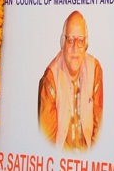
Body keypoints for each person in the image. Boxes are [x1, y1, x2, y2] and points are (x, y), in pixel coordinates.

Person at [38, 10, 104, 150]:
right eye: (70, 40)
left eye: (80, 40)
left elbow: (100, 126)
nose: (75, 48)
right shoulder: (50, 78)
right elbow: (47, 140)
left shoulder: (95, 69)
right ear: (63, 43)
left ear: (86, 43)